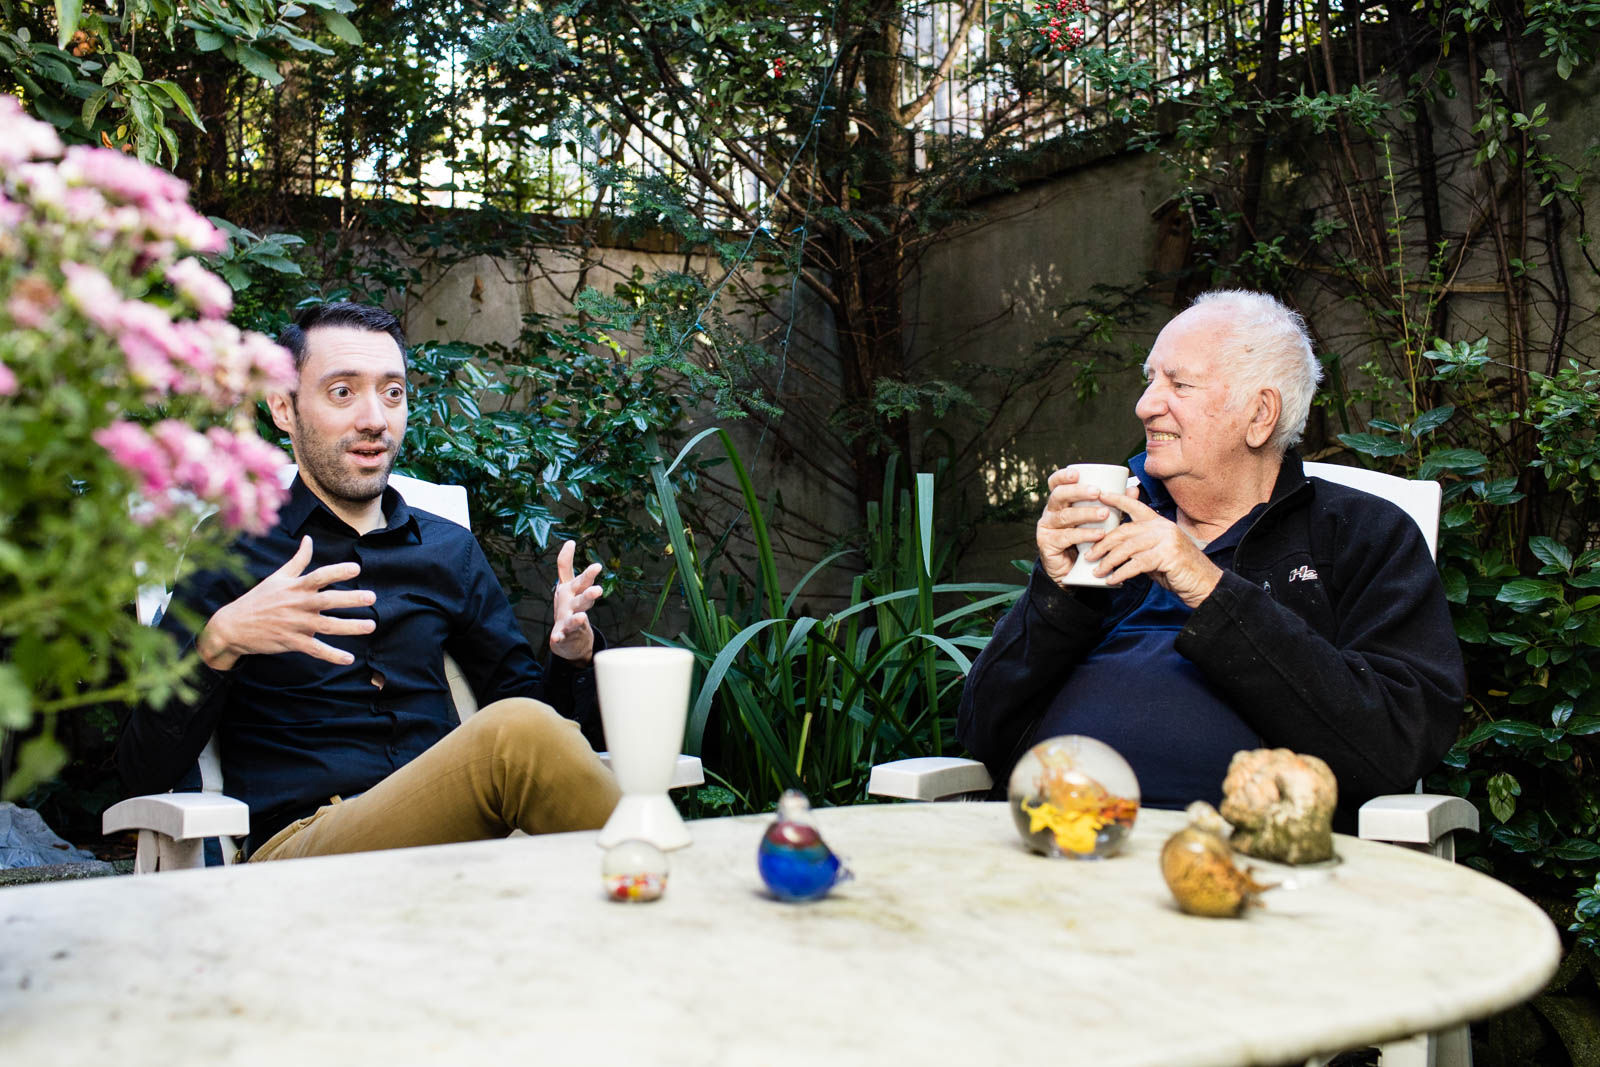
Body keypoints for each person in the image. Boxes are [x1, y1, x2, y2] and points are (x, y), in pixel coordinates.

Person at [116, 301, 620, 861]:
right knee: (519, 738)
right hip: (304, 849)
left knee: (525, 732)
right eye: (342, 392)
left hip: (455, 836)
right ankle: (666, 883)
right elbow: (141, 770)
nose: (375, 419)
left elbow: (544, 730)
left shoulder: (447, 550)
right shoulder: (236, 545)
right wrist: (220, 642)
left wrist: (574, 657)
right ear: (283, 408)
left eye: (392, 393)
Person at [957, 290, 1465, 829]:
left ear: (1259, 414)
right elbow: (982, 731)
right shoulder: (1113, 523)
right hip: (1053, 838)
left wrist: (1209, 589)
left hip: (1240, 854)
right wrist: (1057, 596)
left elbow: (1394, 743)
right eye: (1150, 380)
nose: (1145, 405)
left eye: (1179, 385)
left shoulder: (1359, 534)